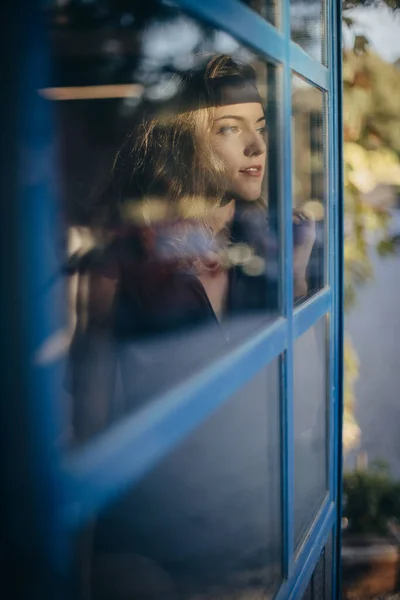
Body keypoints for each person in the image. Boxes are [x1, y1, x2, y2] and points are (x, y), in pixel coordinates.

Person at [69, 54, 316, 599]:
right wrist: (78, 577)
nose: (257, 147)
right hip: (156, 543)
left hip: (262, 532)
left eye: (261, 127)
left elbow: (300, 396)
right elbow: (90, 422)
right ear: (181, 141)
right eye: (231, 129)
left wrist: (297, 278)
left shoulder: (268, 248)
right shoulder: (123, 261)